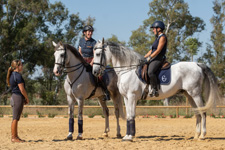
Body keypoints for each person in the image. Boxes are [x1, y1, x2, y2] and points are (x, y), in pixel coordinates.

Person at [78, 25, 110, 101]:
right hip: (82, 60)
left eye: (91, 32)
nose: (90, 33)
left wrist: (90, 64)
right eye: (89, 31)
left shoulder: (94, 42)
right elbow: (79, 52)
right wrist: (81, 61)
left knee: (100, 75)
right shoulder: (81, 41)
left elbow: (95, 55)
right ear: (84, 33)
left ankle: (105, 91)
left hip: (91, 60)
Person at [6, 60, 29, 142]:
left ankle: (15, 136)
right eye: (21, 65)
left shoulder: (13, 75)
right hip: (17, 97)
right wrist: (26, 98)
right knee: (15, 118)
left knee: (15, 118)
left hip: (14, 97)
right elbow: (22, 90)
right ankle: (14, 137)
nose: (22, 66)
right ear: (17, 66)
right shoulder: (18, 76)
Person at [144, 21, 167, 97]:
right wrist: (144, 57)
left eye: (154, 29)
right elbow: (152, 50)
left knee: (150, 71)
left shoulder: (162, 37)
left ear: (159, 29)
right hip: (154, 57)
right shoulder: (157, 38)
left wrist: (150, 57)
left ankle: (155, 89)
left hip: (159, 58)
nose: (153, 30)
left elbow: (158, 50)